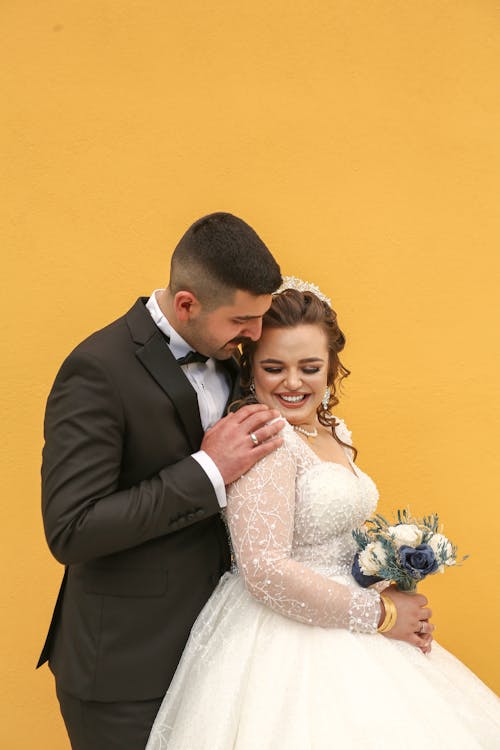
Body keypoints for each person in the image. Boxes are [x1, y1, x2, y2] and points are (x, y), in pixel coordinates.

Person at [146, 279, 500, 750]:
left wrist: (389, 580)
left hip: (345, 618)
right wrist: (381, 613)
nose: (293, 383)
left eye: (309, 367)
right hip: (285, 644)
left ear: (332, 368)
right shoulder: (267, 441)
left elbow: (337, 538)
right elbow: (265, 570)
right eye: (274, 367)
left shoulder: (328, 430)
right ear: (250, 368)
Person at [37, 212, 286, 749]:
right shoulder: (96, 369)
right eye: (243, 319)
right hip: (125, 675)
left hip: (221, 659)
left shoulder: (235, 355)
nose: (257, 335)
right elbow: (71, 529)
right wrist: (208, 471)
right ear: (186, 305)